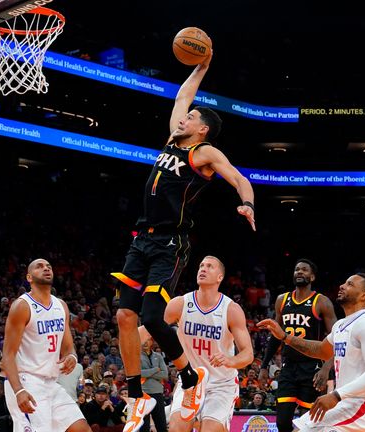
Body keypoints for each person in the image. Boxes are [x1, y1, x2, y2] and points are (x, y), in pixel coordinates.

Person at [111, 51, 256, 432]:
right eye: (186, 116)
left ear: (203, 129)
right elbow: (181, 97)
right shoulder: (173, 139)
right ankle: (134, 393)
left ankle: (190, 380)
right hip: (141, 239)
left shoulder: (203, 152)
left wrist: (246, 204)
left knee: (153, 317)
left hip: (170, 244)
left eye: (192, 118)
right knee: (124, 316)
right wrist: (203, 66)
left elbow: (240, 179)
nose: (184, 117)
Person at [138, 256, 254, 432]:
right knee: (177, 428)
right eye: (201, 265)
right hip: (190, 380)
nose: (203, 269)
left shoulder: (231, 309)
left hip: (221, 384)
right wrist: (127, 335)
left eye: (209, 266)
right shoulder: (180, 304)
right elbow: (145, 332)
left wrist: (230, 360)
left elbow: (248, 354)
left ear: (220, 277)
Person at [258, 273, 365, 432]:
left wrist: (336, 395)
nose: (342, 286)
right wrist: (284, 336)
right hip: (346, 402)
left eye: (350, 284)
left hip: (363, 405)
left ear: (364, 296)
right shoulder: (341, 325)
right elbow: (321, 350)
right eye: (345, 282)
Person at [2, 258, 91, 432]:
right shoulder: (22, 306)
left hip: (52, 382)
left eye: (49, 266)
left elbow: (67, 347)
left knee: (82, 428)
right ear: (29, 277)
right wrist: (18, 391)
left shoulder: (61, 306)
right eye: (40, 267)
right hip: (27, 381)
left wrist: (71, 356)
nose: (46, 269)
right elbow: (8, 355)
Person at [261, 259, 337, 432]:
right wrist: (264, 366)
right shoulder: (282, 300)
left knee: (308, 424)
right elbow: (275, 336)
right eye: (297, 270)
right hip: (288, 368)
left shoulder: (321, 302)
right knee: (282, 423)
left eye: (304, 270)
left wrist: (326, 369)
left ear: (312, 277)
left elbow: (337, 338)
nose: (300, 272)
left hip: (312, 368)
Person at [140, 336, 168, 432]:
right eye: (142, 341)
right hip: (143, 394)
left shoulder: (158, 356)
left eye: (147, 340)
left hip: (157, 392)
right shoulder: (135, 355)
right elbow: (138, 373)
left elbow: (164, 374)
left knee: (162, 425)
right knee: (144, 426)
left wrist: (147, 373)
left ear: (151, 342)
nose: (144, 343)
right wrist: (156, 370)